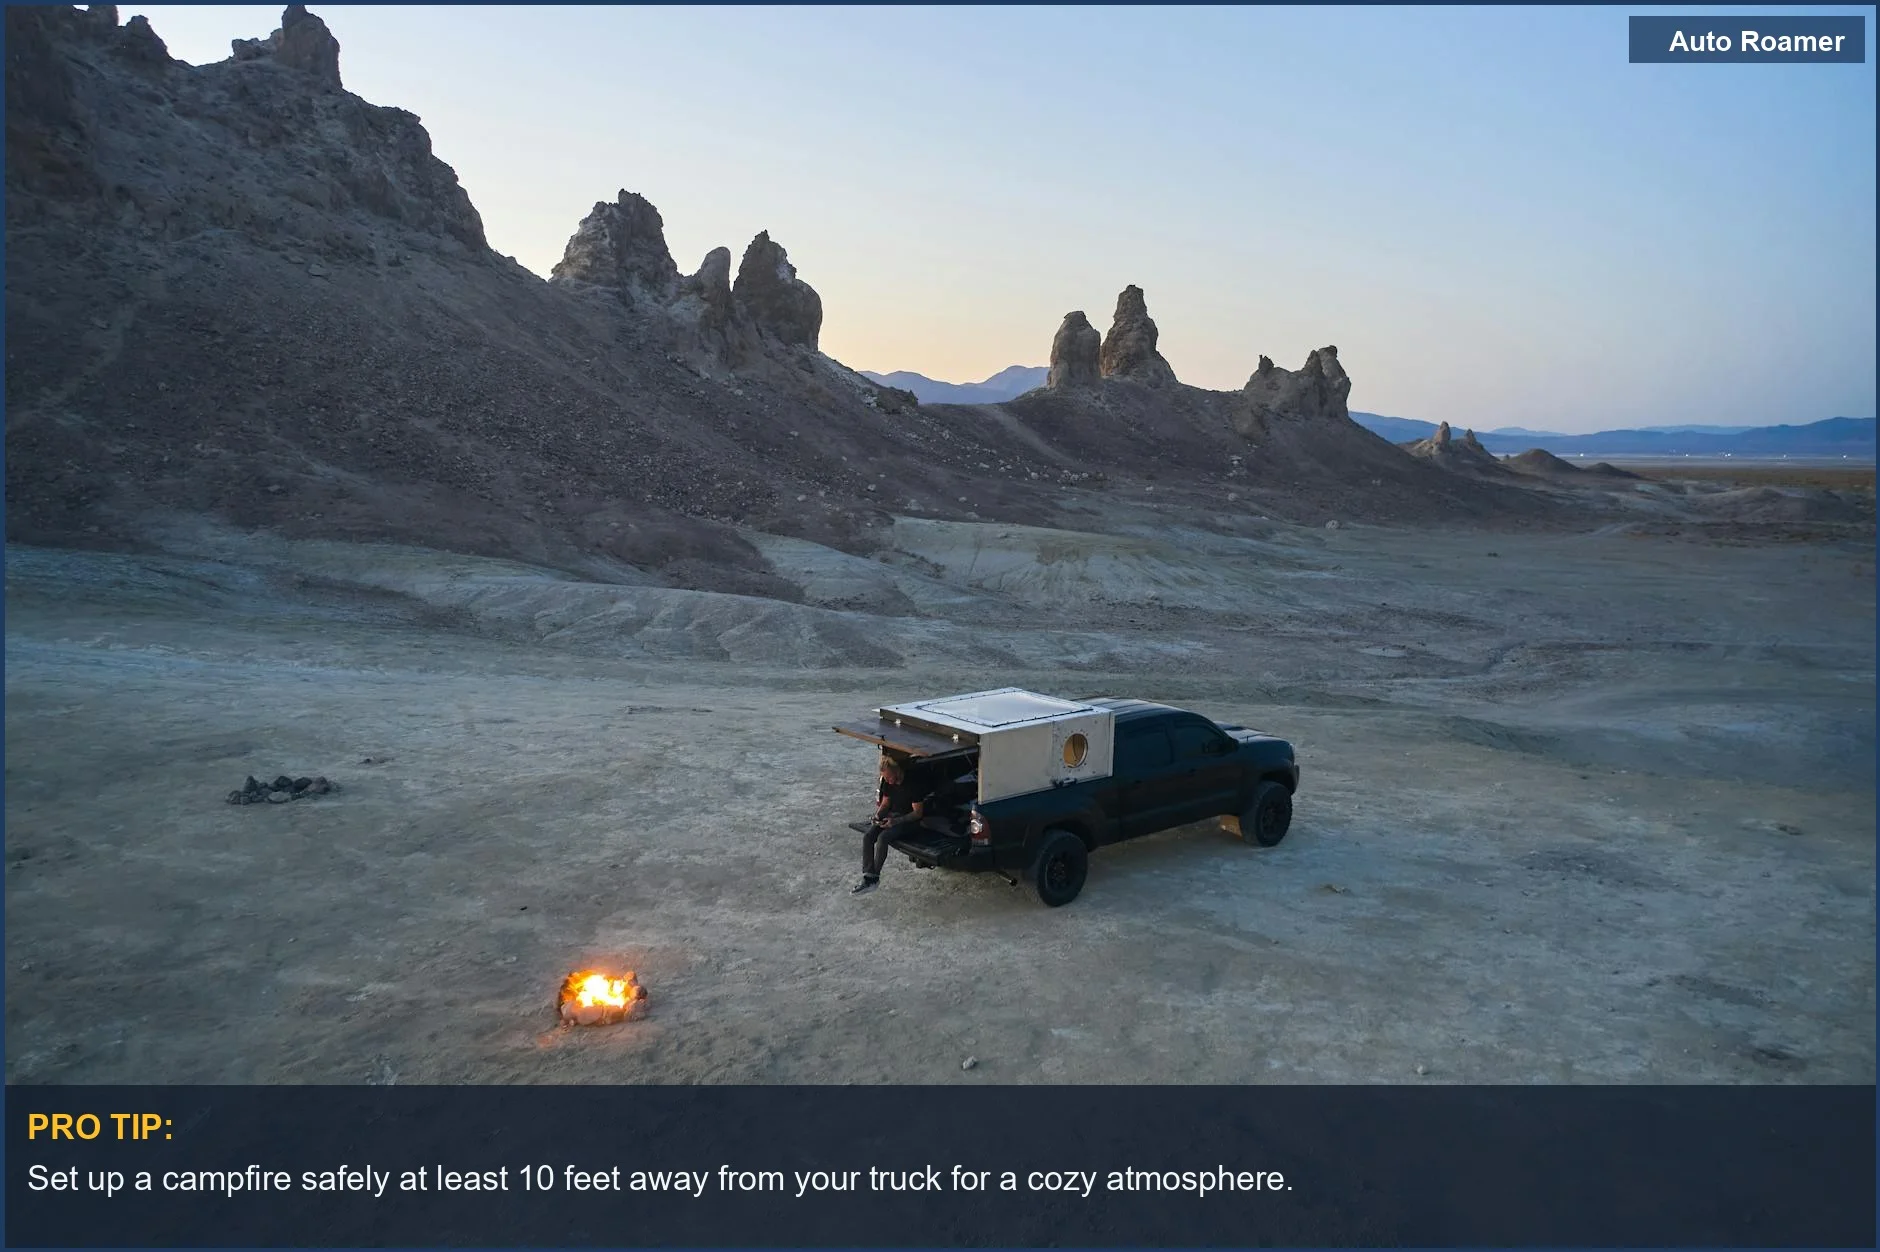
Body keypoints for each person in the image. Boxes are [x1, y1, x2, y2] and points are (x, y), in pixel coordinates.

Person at [854, 753, 926, 894]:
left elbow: (918, 813)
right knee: (868, 836)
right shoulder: (888, 783)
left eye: (888, 777)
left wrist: (896, 821)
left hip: (908, 820)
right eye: (885, 778)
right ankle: (868, 874)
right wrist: (878, 815)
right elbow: (885, 803)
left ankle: (875, 877)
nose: (886, 780)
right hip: (892, 816)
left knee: (883, 838)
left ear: (896, 771)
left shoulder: (912, 785)